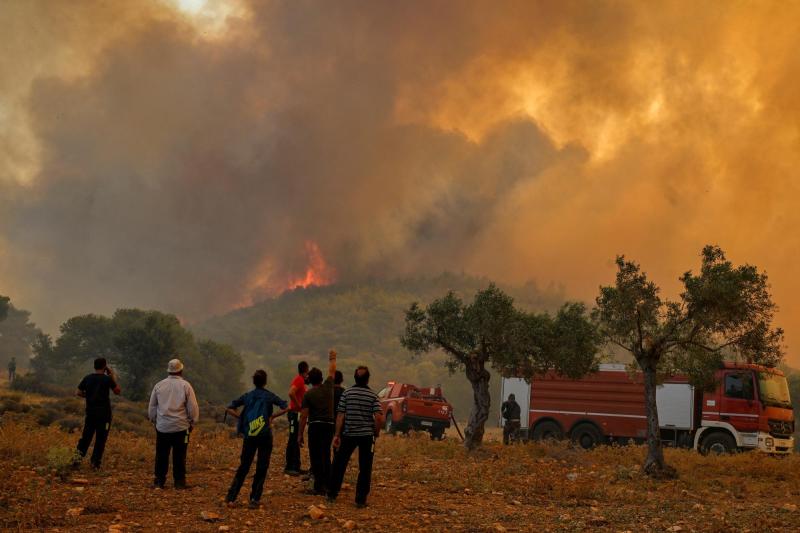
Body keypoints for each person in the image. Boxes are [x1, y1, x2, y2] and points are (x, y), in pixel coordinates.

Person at [225, 369, 289, 508]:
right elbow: (285, 407)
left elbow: (229, 408)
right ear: (265, 382)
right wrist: (272, 417)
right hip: (265, 435)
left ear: (254, 381)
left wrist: (242, 418)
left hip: (250, 436)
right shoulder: (269, 396)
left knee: (244, 466)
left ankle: (231, 497)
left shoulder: (248, 396)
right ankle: (254, 498)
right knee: (262, 466)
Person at [327, 366, 383, 508]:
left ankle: (332, 493)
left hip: (348, 434)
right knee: (365, 467)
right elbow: (379, 418)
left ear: (354, 378)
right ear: (368, 379)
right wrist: (375, 432)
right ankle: (360, 499)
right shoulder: (373, 396)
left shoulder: (347, 393)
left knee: (339, 464)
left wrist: (337, 434)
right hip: (366, 436)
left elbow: (340, 415)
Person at [148, 358, 199, 489]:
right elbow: (192, 407)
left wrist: (154, 420)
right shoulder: (186, 386)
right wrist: (192, 421)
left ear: (169, 371)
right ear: (181, 370)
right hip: (181, 427)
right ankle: (179, 482)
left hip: (163, 427)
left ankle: (159, 480)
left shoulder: (159, 385)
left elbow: (152, 407)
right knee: (180, 455)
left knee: (161, 454)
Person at [298, 350, 337, 495]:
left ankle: (318, 486)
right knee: (325, 454)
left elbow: (303, 417)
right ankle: (327, 484)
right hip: (328, 425)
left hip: (315, 426)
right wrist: (332, 358)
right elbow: (332, 371)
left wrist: (300, 434)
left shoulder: (308, 395)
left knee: (315, 455)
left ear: (311, 380)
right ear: (321, 378)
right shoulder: (328, 387)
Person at [75, 357, 121, 469]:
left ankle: (76, 461)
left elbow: (78, 392)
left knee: (86, 437)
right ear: (104, 366)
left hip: (90, 413)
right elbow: (117, 391)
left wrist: (89, 396)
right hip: (104, 415)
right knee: (101, 439)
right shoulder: (107, 379)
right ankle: (95, 463)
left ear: (94, 366)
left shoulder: (87, 378)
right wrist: (112, 376)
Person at [285, 361, 309, 475]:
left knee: (296, 438)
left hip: (297, 414)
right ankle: (289, 467)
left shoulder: (301, 381)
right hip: (294, 413)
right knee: (293, 439)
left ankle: (296, 466)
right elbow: (291, 393)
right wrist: (298, 405)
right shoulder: (299, 379)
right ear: (305, 371)